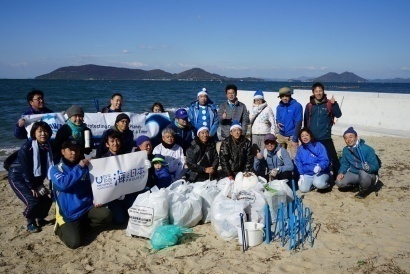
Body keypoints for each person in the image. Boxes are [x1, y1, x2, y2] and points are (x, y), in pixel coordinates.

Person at [50, 140, 112, 249]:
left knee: (106, 215)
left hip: (86, 207)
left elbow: (94, 185)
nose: (74, 153)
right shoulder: (56, 169)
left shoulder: (85, 166)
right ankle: (59, 227)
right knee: (74, 243)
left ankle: (81, 226)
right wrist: (79, 167)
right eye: (71, 150)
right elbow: (63, 184)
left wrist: (96, 199)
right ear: (63, 151)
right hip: (70, 213)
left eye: (76, 150)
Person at [8, 121, 54, 232]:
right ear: (34, 133)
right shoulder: (27, 148)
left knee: (47, 199)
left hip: (34, 179)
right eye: (40, 131)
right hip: (18, 177)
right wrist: (32, 187)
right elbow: (26, 170)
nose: (43, 134)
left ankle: (40, 219)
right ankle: (30, 222)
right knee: (33, 201)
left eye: (45, 131)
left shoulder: (47, 146)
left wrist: (40, 184)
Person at [304, 82, 342, 179]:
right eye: (316, 91)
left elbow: (338, 114)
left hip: (325, 136)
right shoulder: (309, 106)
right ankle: (316, 175)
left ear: (323, 91)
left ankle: (337, 176)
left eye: (320, 91)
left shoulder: (329, 104)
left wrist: (334, 104)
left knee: (333, 157)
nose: (318, 93)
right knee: (313, 157)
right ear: (313, 92)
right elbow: (306, 121)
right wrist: (305, 136)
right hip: (312, 137)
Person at [100, 131, 138, 224]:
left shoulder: (126, 157)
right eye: (112, 141)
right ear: (107, 144)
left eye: (117, 140)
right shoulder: (103, 159)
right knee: (120, 220)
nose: (115, 143)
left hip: (126, 193)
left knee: (134, 215)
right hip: (113, 196)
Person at [335, 127, 380, 199]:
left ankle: (364, 190)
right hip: (354, 172)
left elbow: (376, 166)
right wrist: (341, 172)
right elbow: (344, 164)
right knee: (339, 182)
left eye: (351, 137)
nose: (348, 140)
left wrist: (369, 167)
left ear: (356, 137)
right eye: (346, 138)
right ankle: (356, 185)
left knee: (363, 174)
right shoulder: (346, 150)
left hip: (368, 173)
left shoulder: (367, 149)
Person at [295, 128, 331, 193]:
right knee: (303, 189)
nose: (304, 137)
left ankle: (327, 184)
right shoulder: (300, 149)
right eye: (302, 136)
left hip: (320, 172)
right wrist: (301, 174)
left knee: (319, 183)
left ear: (310, 135)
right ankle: (312, 185)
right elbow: (298, 161)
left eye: (306, 135)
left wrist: (320, 167)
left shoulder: (318, 145)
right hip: (308, 173)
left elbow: (325, 159)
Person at [275, 87, 303, 159]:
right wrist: (278, 123)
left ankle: (293, 170)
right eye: (282, 96)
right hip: (281, 135)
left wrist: (295, 138)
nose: (284, 98)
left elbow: (299, 122)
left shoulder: (297, 106)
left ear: (290, 95)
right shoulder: (279, 107)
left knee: (293, 158)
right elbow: (277, 119)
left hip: (291, 136)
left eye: (286, 96)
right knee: (280, 157)